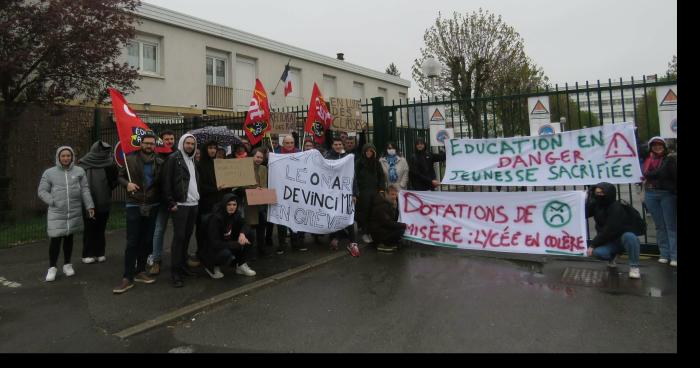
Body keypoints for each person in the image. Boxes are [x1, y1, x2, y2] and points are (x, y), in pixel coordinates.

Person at [112, 132, 163, 293]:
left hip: (153, 205)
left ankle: (140, 271)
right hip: (134, 204)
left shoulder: (160, 162)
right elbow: (118, 177)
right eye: (146, 143)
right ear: (141, 144)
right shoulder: (129, 160)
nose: (149, 146)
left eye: (152, 144)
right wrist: (127, 184)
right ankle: (127, 277)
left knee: (147, 240)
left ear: (155, 145)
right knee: (132, 241)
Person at [38, 146, 96, 282]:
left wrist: (90, 206)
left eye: (68, 156)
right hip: (57, 211)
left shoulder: (79, 171)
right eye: (63, 156)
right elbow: (42, 191)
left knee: (69, 238)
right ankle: (52, 267)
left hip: (74, 211)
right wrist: (53, 201)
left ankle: (67, 264)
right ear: (58, 157)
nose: (65, 158)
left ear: (72, 157)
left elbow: (85, 190)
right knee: (56, 240)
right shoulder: (49, 173)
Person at [163, 133, 200, 288]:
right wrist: (171, 203)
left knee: (186, 238)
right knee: (178, 239)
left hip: (193, 205)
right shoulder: (174, 159)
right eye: (187, 143)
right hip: (180, 205)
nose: (190, 146)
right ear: (182, 143)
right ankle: (175, 272)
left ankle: (183, 266)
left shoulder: (193, 161)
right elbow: (166, 183)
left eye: (192, 144)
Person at [586, 182, 645, 279]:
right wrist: (587, 198)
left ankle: (634, 267)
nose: (599, 195)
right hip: (609, 241)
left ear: (608, 193)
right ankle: (612, 257)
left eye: (601, 193)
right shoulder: (596, 204)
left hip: (621, 238)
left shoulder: (616, 207)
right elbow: (584, 213)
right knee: (598, 252)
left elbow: (610, 229)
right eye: (597, 193)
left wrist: (593, 244)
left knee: (630, 237)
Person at [78, 141, 119, 264]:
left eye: (106, 150)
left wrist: (105, 189)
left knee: (101, 228)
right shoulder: (83, 163)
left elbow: (114, 180)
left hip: (103, 200)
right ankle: (88, 253)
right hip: (87, 201)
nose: (104, 153)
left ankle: (100, 252)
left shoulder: (110, 163)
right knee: (89, 227)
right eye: (102, 150)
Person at [642, 136, 677, 267]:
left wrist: (648, 175)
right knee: (660, 226)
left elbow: (660, 174)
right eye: (655, 145)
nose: (657, 147)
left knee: (671, 226)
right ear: (651, 147)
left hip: (666, 194)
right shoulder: (647, 160)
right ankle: (664, 254)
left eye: (660, 145)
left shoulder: (669, 159)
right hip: (651, 194)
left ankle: (674, 255)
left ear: (664, 146)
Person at [203, 193, 256, 279]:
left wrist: (242, 234)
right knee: (225, 254)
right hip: (212, 250)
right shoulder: (215, 219)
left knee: (250, 234)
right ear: (224, 204)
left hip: (228, 243)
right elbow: (215, 243)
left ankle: (241, 265)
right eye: (229, 204)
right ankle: (212, 267)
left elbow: (246, 224)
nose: (232, 207)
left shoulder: (236, 214)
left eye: (234, 204)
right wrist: (237, 244)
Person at [149, 129, 177, 274]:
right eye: (167, 139)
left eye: (172, 139)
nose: (170, 141)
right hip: (161, 200)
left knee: (179, 232)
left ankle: (179, 258)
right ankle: (156, 260)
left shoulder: (178, 155)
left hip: (176, 201)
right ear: (161, 140)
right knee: (159, 230)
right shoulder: (156, 157)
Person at [324, 136, 358, 251]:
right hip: (332, 194)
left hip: (345, 193)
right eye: (336, 144)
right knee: (334, 215)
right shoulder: (327, 157)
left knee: (348, 215)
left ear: (343, 146)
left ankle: (352, 241)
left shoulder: (347, 158)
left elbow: (353, 177)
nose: (338, 146)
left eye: (340, 144)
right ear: (332, 146)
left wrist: (354, 193)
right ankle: (335, 238)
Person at [195, 140, 226, 266]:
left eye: (215, 148)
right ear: (205, 149)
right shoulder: (199, 165)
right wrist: (215, 189)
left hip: (217, 202)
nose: (213, 150)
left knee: (215, 231)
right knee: (203, 230)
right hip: (205, 203)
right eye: (210, 148)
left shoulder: (218, 164)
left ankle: (213, 254)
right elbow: (199, 186)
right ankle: (202, 254)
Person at [274, 135, 303, 254]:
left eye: (291, 142)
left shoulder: (299, 153)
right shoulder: (276, 153)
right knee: (282, 219)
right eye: (287, 143)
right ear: (283, 143)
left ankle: (296, 244)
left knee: (295, 218)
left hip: (295, 191)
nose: (289, 145)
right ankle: (282, 245)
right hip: (281, 191)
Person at [354, 143, 386, 244]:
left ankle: (372, 233)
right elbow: (355, 177)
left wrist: (381, 189)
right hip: (363, 192)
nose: (369, 153)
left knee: (374, 212)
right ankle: (365, 232)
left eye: (371, 151)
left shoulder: (377, 163)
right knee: (364, 213)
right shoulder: (359, 162)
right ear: (364, 152)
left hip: (375, 191)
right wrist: (356, 191)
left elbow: (381, 177)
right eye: (367, 151)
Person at [244, 148, 271, 257]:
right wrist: (254, 188)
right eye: (257, 157)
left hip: (261, 202)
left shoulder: (264, 168)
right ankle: (249, 252)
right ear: (252, 157)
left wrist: (263, 189)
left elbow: (266, 183)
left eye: (261, 157)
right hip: (249, 203)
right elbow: (242, 184)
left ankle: (262, 249)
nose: (259, 159)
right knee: (250, 229)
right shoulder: (245, 168)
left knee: (262, 227)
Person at [369, 185, 407, 253]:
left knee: (400, 229)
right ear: (386, 194)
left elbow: (393, 219)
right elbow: (388, 223)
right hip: (378, 234)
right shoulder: (382, 205)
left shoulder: (389, 203)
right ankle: (381, 244)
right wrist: (403, 225)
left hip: (383, 229)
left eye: (395, 195)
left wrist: (395, 208)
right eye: (392, 194)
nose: (394, 197)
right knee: (401, 230)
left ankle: (389, 243)